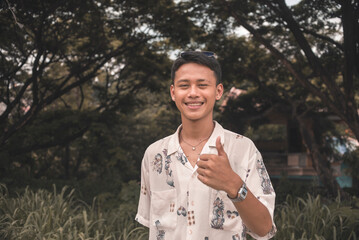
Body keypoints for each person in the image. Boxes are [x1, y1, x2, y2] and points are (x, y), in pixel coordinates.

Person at [136, 51, 276, 239]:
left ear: (218, 91)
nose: (193, 93)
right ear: (173, 92)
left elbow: (265, 229)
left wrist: (233, 184)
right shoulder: (154, 155)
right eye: (184, 85)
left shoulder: (243, 149)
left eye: (202, 85)